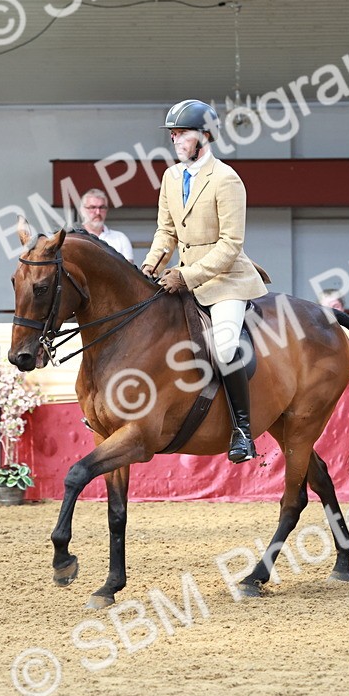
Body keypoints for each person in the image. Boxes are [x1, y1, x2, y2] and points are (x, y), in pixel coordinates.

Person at [141, 99, 266, 463]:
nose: (176, 139)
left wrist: (187, 275)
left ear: (205, 137)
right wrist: (149, 266)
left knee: (225, 347)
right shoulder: (170, 177)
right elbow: (166, 232)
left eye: (182, 133)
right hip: (184, 276)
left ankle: (242, 430)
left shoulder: (227, 179)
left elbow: (231, 245)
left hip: (226, 280)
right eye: (174, 134)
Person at [79, 188, 134, 262]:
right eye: (93, 207)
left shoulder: (120, 238)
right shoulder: (74, 237)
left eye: (102, 207)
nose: (98, 212)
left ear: (107, 209)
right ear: (82, 210)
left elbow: (129, 271)